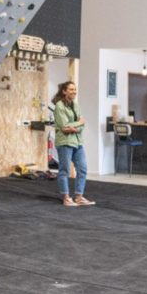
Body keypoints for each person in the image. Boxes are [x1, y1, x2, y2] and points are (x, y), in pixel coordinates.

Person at [52, 80, 94, 208]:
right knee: (64, 170)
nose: (74, 92)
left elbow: (83, 123)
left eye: (75, 89)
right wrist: (78, 124)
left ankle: (79, 197)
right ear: (64, 91)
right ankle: (66, 197)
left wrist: (76, 127)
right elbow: (64, 127)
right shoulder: (59, 106)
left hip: (77, 141)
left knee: (82, 169)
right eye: (71, 89)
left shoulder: (75, 105)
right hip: (65, 142)